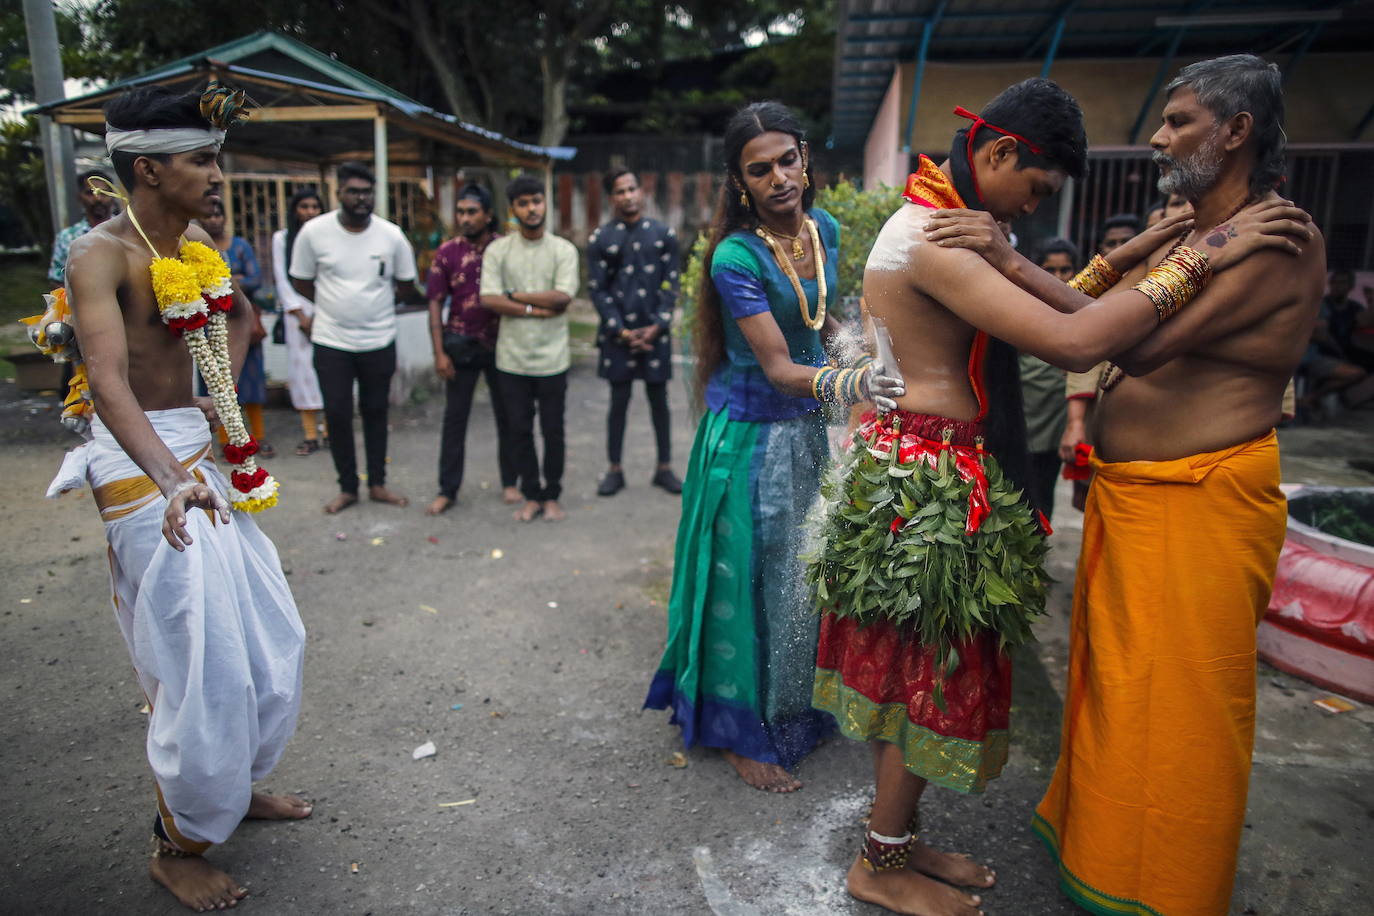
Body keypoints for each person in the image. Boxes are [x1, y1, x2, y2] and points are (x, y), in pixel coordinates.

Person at [811, 73, 1311, 916]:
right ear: (999, 152)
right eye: (1035, 189)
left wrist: (1127, 251)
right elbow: (1078, 342)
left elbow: (1061, 301)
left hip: (931, 468)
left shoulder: (954, 221)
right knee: (922, 677)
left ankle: (895, 841)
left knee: (925, 669)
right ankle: (878, 863)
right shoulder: (938, 236)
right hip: (925, 480)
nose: (1035, 211)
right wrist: (1203, 251)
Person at [57, 82, 309, 912]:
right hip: (144, 472)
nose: (216, 173)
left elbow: (237, 317)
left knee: (272, 639)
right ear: (147, 168)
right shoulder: (100, 254)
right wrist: (173, 477)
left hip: (199, 454)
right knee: (204, 664)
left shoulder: (196, 239)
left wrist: (217, 397)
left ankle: (229, 792)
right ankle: (177, 843)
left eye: (216, 157)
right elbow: (106, 383)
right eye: (200, 159)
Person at [644, 101, 899, 794]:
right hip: (751, 441)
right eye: (761, 169)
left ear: (806, 158)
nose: (780, 177)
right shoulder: (735, 255)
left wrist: (859, 350)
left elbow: (823, 320)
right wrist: (864, 382)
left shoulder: (827, 229)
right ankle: (736, 730)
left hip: (806, 430)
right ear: (740, 182)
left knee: (801, 577)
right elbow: (782, 368)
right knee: (745, 582)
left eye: (788, 160)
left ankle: (794, 705)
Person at [290, 161, 420, 514]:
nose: (361, 198)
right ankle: (348, 486)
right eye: (354, 191)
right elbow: (300, 279)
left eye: (367, 192)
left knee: (376, 411)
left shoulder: (391, 235)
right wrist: (333, 305)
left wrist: (374, 306)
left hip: (379, 340)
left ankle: (377, 483)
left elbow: (407, 285)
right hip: (331, 341)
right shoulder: (314, 233)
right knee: (337, 412)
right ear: (339, 193)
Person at [478, 174, 580, 522]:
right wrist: (535, 308)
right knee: (519, 430)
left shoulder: (562, 250)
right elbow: (488, 299)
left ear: (545, 202)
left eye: (536, 200)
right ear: (513, 209)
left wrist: (514, 296)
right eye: (523, 203)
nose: (532, 208)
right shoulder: (498, 250)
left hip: (553, 358)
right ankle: (531, 495)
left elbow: (563, 297)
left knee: (553, 430)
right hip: (512, 359)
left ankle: (552, 495)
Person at [588, 169, 683, 497]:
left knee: (660, 402)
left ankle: (664, 468)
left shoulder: (663, 235)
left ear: (640, 192)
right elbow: (598, 290)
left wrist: (658, 326)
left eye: (632, 189)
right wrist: (621, 331)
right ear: (611, 197)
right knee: (618, 402)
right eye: (619, 191)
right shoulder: (601, 239)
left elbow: (672, 285)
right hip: (619, 338)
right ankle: (614, 469)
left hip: (656, 333)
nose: (627, 196)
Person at [425, 184, 518, 515]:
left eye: (471, 211)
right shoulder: (448, 252)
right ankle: (447, 489)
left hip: (502, 344)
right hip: (460, 345)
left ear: (488, 215)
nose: (464, 218)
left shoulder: (506, 249)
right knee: (455, 419)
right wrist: (439, 352)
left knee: (507, 415)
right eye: (460, 212)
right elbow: (435, 303)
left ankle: (510, 482)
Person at [199, 199, 273, 457]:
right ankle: (226, 440)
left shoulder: (240, 246)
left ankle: (258, 438)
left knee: (251, 382)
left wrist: (225, 280)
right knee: (215, 382)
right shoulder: (196, 248)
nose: (214, 220)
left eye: (219, 215)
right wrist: (233, 279)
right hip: (210, 324)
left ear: (225, 218)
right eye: (209, 216)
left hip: (242, 324)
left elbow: (255, 279)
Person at [1018, 237, 1077, 519]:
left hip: (1055, 422)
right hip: (1023, 418)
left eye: (1065, 270)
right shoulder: (1023, 307)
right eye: (1049, 270)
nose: (1058, 278)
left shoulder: (1082, 310)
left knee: (1043, 500)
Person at [272, 187, 328, 456]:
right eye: (304, 206)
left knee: (329, 371)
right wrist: (301, 315)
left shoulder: (328, 238)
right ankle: (310, 435)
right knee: (303, 374)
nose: (309, 212)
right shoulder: (282, 239)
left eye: (315, 207)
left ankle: (330, 432)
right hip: (297, 316)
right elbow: (282, 279)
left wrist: (323, 312)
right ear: (295, 210)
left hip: (327, 312)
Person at [48, 169, 116, 285]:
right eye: (90, 193)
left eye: (103, 193)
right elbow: (57, 280)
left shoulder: (130, 231)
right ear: (80, 197)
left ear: (113, 196)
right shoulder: (66, 237)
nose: (97, 198)